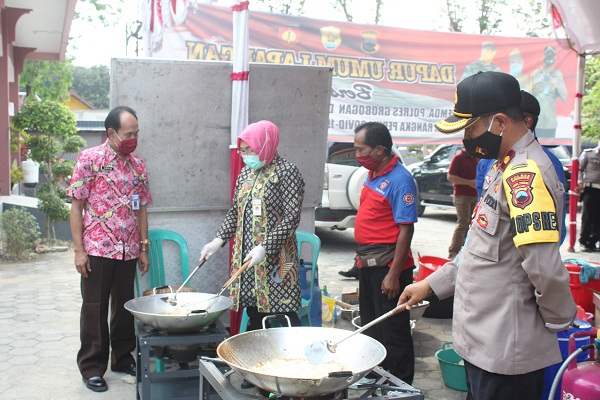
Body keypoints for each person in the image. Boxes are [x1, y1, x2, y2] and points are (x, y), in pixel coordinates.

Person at [400, 71, 576, 400]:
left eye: (469, 129)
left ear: (498, 122)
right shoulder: (502, 165)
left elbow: (544, 269)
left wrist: (557, 321)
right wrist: (430, 284)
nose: (465, 137)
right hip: (482, 340)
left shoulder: (527, 175)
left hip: (505, 349)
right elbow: (478, 247)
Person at [68, 106, 152, 393]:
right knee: (94, 308)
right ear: (111, 133)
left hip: (127, 249)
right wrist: (79, 251)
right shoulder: (89, 159)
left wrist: (143, 247)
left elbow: (140, 208)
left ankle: (122, 358)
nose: (133, 139)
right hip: (96, 249)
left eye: (137, 133)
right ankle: (92, 367)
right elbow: (77, 206)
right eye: (128, 134)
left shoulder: (137, 165)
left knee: (124, 308)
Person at [199, 120, 305, 332]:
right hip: (248, 256)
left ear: (266, 145)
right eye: (243, 150)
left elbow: (292, 217)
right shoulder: (246, 173)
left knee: (283, 311)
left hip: (276, 259)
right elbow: (235, 212)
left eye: (251, 149)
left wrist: (266, 247)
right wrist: (218, 240)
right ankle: (257, 356)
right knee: (255, 310)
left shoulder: (287, 172)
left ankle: (296, 355)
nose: (247, 155)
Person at [352, 122, 417, 384]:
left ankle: (400, 384)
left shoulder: (401, 180)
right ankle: (377, 374)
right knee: (371, 323)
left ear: (379, 149)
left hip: (389, 266)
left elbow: (406, 230)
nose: (358, 155)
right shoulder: (374, 172)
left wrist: (392, 275)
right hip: (368, 263)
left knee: (394, 328)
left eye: (361, 150)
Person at [476, 90, 568, 244]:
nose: (497, 126)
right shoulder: (489, 160)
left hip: (516, 258)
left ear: (527, 122)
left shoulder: (545, 163)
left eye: (501, 120)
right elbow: (481, 206)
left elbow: (548, 231)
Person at [446, 148, 479, 259]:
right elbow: (450, 176)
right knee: (463, 223)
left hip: (474, 195)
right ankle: (453, 252)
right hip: (462, 195)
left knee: (472, 224)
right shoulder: (458, 158)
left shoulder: (477, 158)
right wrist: (469, 183)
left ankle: (466, 250)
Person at [531, 45, 568, 138]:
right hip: (537, 119)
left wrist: (557, 85)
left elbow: (564, 95)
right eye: (548, 55)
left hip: (549, 120)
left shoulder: (557, 74)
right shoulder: (536, 73)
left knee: (549, 148)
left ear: (555, 57)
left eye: (552, 55)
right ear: (544, 56)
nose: (549, 58)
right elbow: (529, 95)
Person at [576, 138, 600, 252]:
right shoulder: (588, 153)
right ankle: (584, 241)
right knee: (588, 216)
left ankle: (593, 242)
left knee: (598, 218)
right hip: (590, 189)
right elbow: (579, 169)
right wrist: (580, 182)